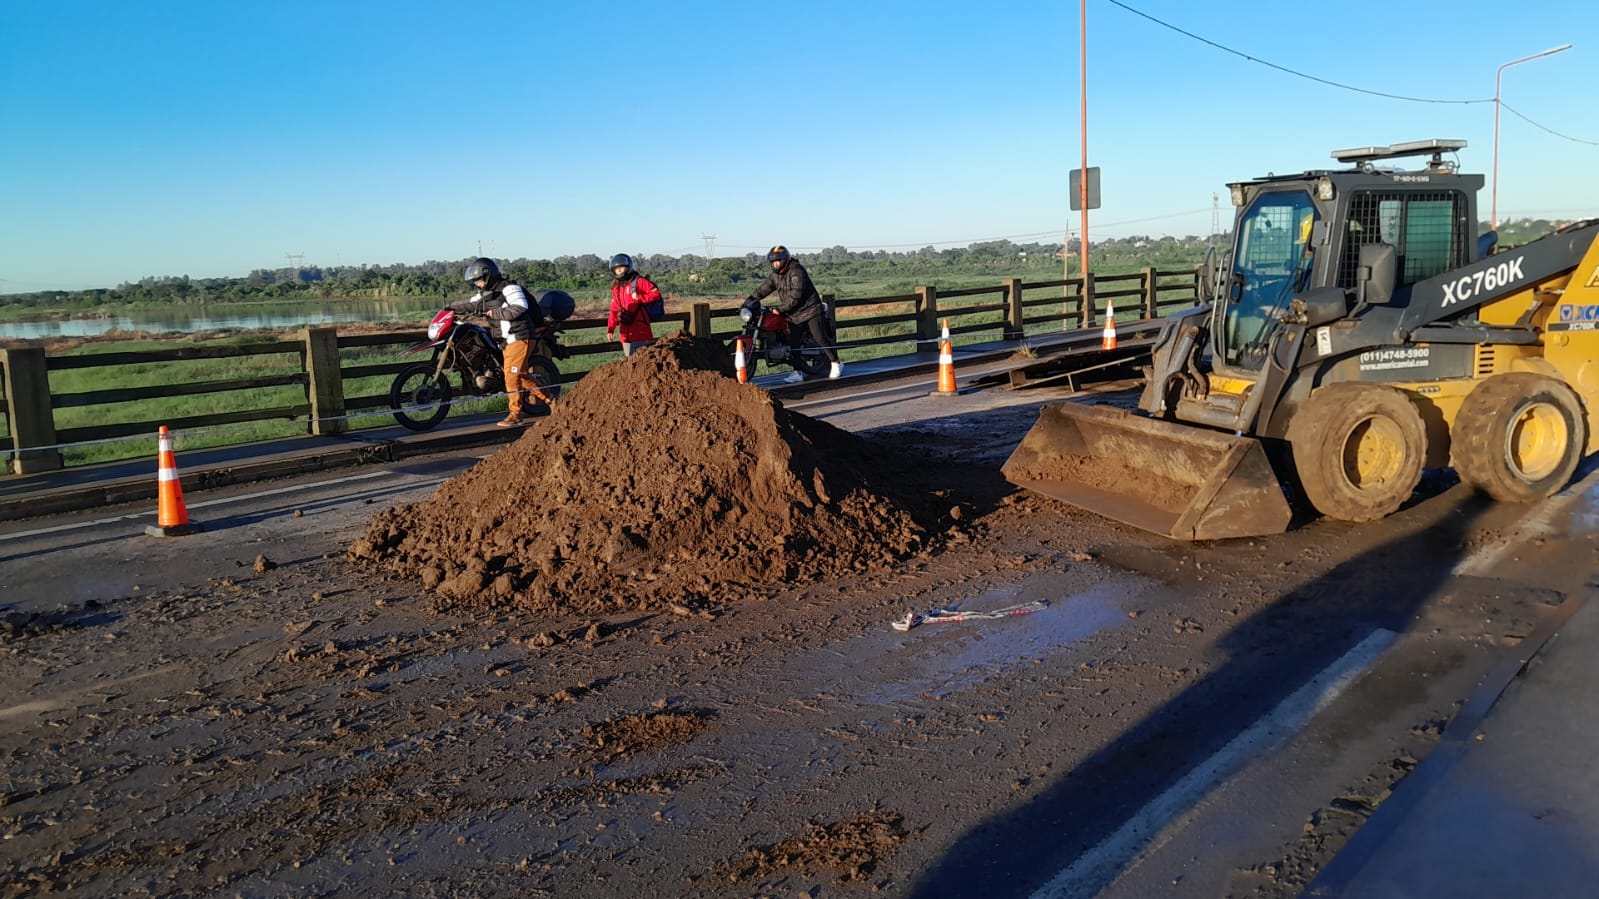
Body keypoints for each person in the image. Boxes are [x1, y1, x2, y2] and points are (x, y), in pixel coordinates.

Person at [452, 257, 552, 427]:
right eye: (475, 281)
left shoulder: (509, 288)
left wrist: (495, 313)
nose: (477, 284)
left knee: (511, 376)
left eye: (479, 280)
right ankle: (552, 400)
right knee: (521, 375)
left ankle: (515, 414)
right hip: (508, 340)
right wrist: (450, 307)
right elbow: (470, 304)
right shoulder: (486, 294)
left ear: (488, 275)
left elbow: (520, 307)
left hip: (520, 336)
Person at [746, 245, 842, 382]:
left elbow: (795, 296)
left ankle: (836, 362)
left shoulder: (797, 271)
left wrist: (780, 309)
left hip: (810, 310)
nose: (775, 264)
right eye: (773, 262)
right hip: (793, 314)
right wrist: (750, 300)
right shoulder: (775, 275)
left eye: (777, 261)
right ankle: (797, 372)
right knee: (794, 343)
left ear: (785, 260)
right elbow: (764, 289)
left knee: (820, 338)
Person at [604, 253, 662, 356]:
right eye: (616, 269)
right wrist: (610, 329)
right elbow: (614, 310)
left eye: (621, 267)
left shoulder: (639, 282)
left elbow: (656, 294)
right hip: (625, 334)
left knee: (643, 360)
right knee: (630, 361)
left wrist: (640, 297)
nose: (619, 270)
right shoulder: (616, 288)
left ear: (628, 267)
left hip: (641, 331)